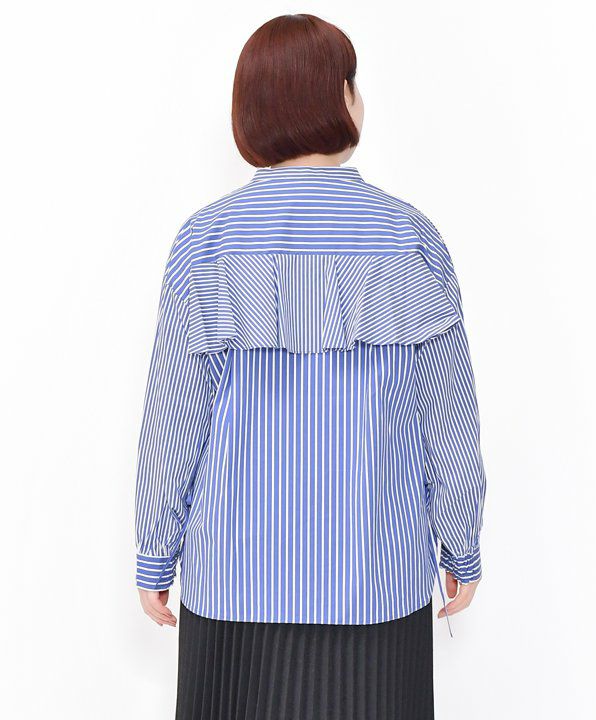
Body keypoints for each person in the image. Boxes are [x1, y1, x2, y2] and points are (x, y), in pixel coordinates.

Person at [134, 13, 486, 720]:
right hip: (375, 585)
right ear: (343, 98)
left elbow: (173, 422)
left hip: (233, 584)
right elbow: (448, 418)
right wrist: (462, 545)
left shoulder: (206, 241)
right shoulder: (408, 237)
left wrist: (155, 553)